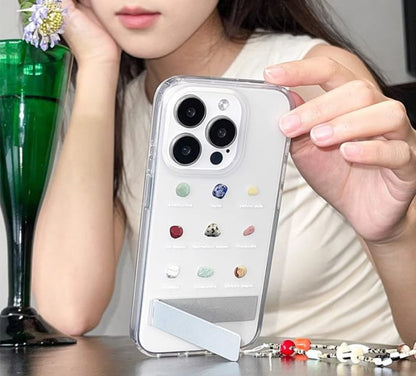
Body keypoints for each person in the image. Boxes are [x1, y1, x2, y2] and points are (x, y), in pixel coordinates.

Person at [31, 0, 416, 345]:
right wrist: (98, 66)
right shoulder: (119, 111)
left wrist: (395, 236)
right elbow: (68, 311)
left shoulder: (308, 79)